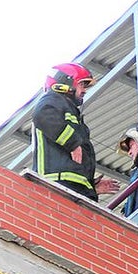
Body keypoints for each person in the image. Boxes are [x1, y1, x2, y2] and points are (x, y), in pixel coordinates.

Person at [31, 63, 118, 201]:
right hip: (57, 182)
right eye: (82, 84)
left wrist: (91, 186)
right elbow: (42, 116)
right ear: (66, 82)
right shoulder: (52, 100)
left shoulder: (68, 109)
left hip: (72, 184)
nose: (84, 91)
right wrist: (72, 143)